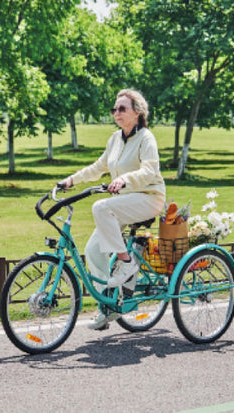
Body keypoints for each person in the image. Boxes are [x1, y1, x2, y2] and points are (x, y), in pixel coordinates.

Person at [59, 89, 166, 330]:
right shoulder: (115, 139)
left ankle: (126, 261)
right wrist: (71, 180)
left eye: (122, 108)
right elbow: (99, 166)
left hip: (149, 197)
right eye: (114, 109)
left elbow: (149, 170)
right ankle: (108, 307)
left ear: (137, 112)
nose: (116, 113)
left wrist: (125, 180)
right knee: (93, 251)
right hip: (125, 202)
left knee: (101, 207)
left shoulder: (146, 138)